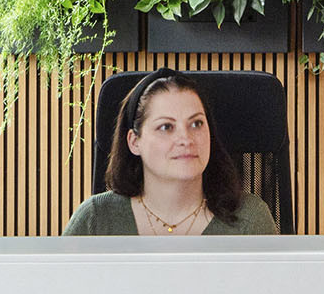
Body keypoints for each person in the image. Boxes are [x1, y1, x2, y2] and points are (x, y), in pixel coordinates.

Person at [63, 72, 281, 238]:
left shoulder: (250, 220)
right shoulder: (95, 220)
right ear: (134, 142)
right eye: (166, 127)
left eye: (196, 124)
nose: (186, 139)